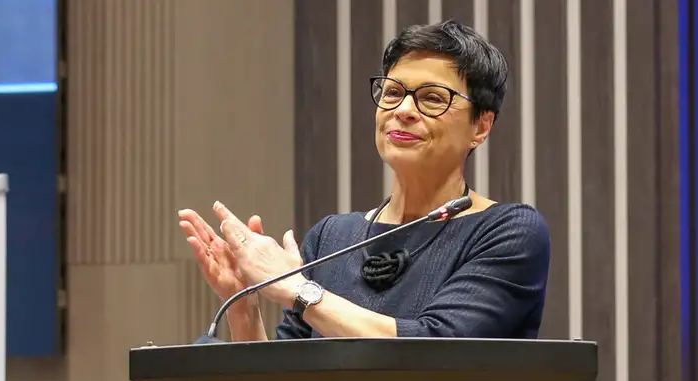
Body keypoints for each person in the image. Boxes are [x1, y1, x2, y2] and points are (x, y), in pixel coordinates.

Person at [176, 20, 550, 341]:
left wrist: (300, 291)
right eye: (393, 93)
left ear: (481, 126)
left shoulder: (509, 232)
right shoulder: (331, 238)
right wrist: (243, 304)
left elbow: (433, 347)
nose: (404, 110)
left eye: (432, 98)